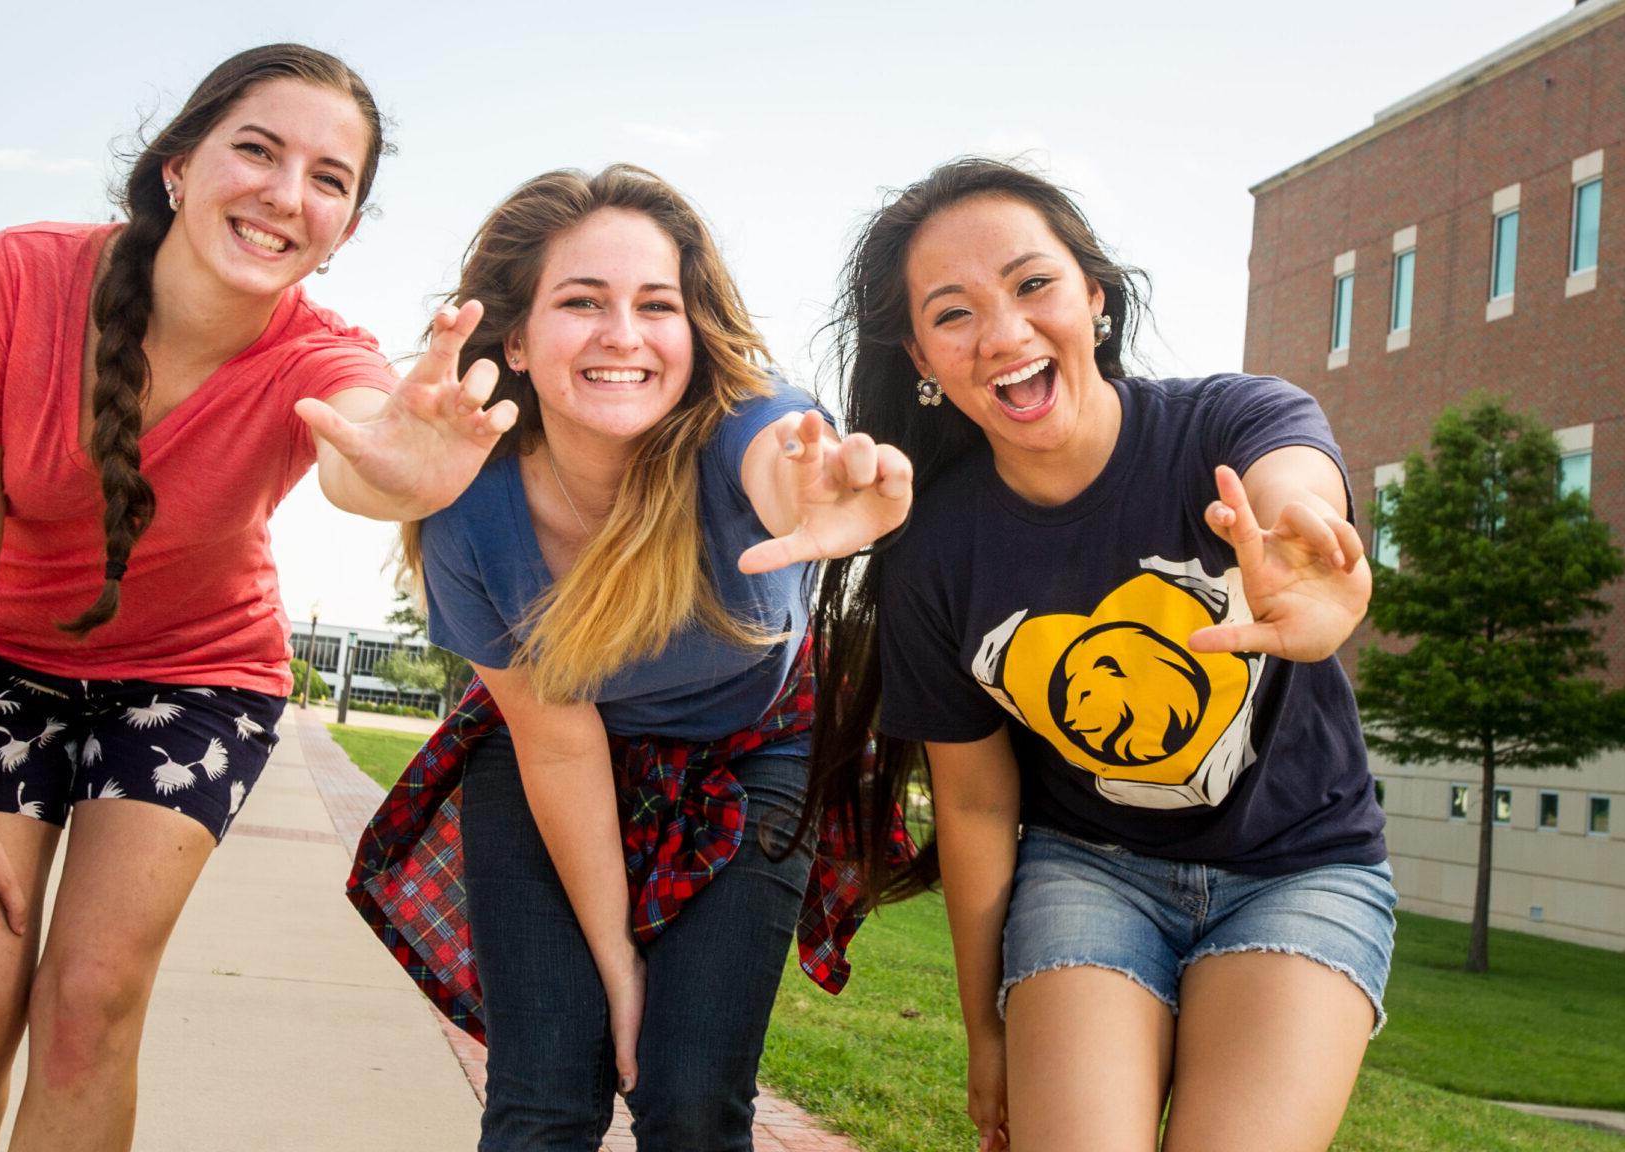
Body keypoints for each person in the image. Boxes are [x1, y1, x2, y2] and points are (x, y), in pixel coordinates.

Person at [0, 45, 512, 1151]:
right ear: (178, 165)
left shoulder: (321, 354)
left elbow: (361, 442)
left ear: (346, 230)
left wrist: (407, 459)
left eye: (329, 179)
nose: (285, 194)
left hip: (192, 679)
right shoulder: (15, 279)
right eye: (257, 151)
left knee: (87, 1008)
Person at [807, 157, 1392, 1152]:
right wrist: (984, 1028)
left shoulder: (1227, 422)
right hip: (1091, 874)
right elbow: (979, 802)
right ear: (920, 357)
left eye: (1033, 285)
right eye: (953, 313)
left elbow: (1291, 481)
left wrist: (1303, 538)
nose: (1002, 332)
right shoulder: (934, 555)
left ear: (1096, 297)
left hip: (1302, 870)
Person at [347, 163, 914, 1151]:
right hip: (553, 762)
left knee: (691, 1103)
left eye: (657, 304)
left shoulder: (749, 426)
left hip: (754, 753)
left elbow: (785, 461)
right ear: (516, 339)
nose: (623, 333)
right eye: (581, 301)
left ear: (693, 333)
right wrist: (615, 964)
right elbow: (556, 746)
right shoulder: (470, 512)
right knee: (545, 1099)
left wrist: (822, 493)